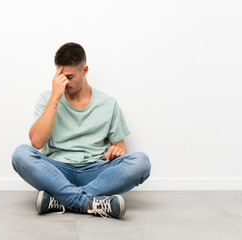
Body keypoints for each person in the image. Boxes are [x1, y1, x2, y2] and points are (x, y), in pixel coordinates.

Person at [12, 42, 151, 219]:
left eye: (69, 77)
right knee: (20, 154)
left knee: (141, 162)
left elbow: (120, 147)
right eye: (60, 76)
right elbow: (37, 143)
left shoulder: (108, 104)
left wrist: (118, 151)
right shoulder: (47, 99)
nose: (64, 82)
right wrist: (55, 97)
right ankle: (90, 203)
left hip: (95, 171)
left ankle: (62, 200)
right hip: (58, 171)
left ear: (85, 71)